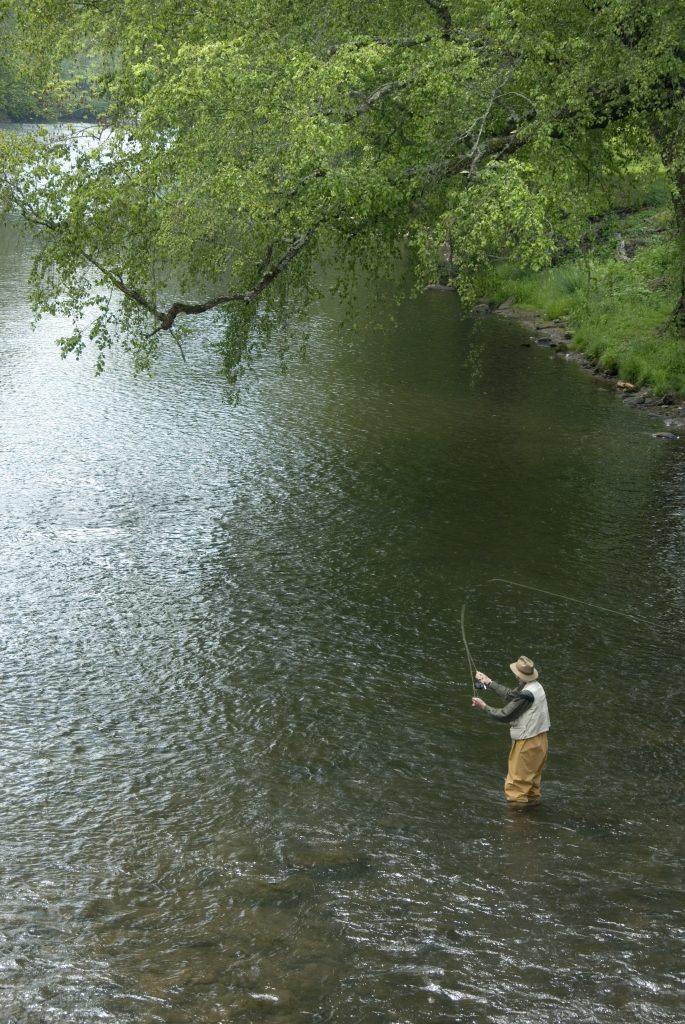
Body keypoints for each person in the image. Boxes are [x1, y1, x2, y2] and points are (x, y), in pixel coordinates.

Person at [471, 655, 550, 808]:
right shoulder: (535, 686)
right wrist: (488, 682)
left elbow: (505, 715)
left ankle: (518, 826)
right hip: (541, 742)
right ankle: (533, 818)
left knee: (516, 788)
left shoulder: (527, 694)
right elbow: (511, 695)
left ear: (518, 675)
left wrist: (484, 707)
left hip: (527, 744)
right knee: (531, 786)